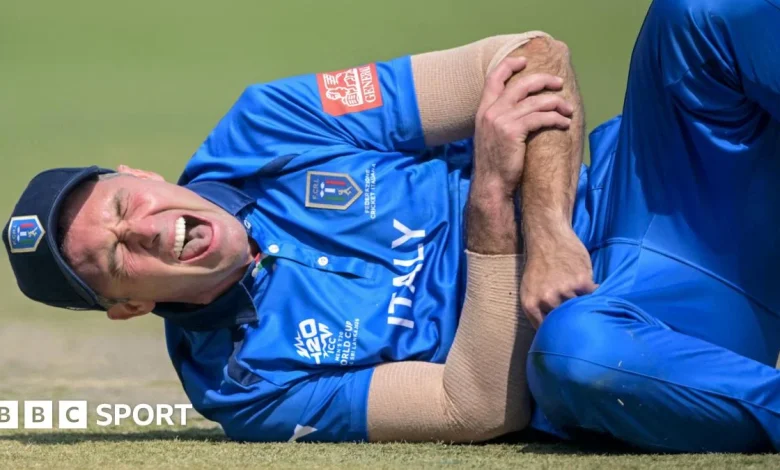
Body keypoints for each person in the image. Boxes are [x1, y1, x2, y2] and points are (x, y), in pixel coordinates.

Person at [4, 0, 780, 452]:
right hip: (642, 334)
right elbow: (474, 408)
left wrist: (546, 229)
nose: (142, 230)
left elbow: (531, 56)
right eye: (115, 258)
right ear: (129, 307)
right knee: (577, 355)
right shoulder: (242, 388)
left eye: (121, 207)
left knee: (698, 11)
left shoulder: (266, 125)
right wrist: (491, 213)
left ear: (138, 176)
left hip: (670, 193)